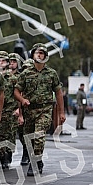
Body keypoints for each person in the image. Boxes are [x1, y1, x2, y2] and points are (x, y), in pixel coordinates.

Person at [14, 43, 66, 176]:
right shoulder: (25, 74)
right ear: (32, 55)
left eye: (42, 53)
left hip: (44, 110)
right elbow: (16, 91)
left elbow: (58, 93)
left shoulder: (51, 74)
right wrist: (22, 100)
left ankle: (35, 162)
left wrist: (61, 112)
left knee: (39, 136)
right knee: (29, 139)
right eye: (37, 52)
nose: (39, 55)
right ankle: (37, 160)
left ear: (46, 56)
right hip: (29, 111)